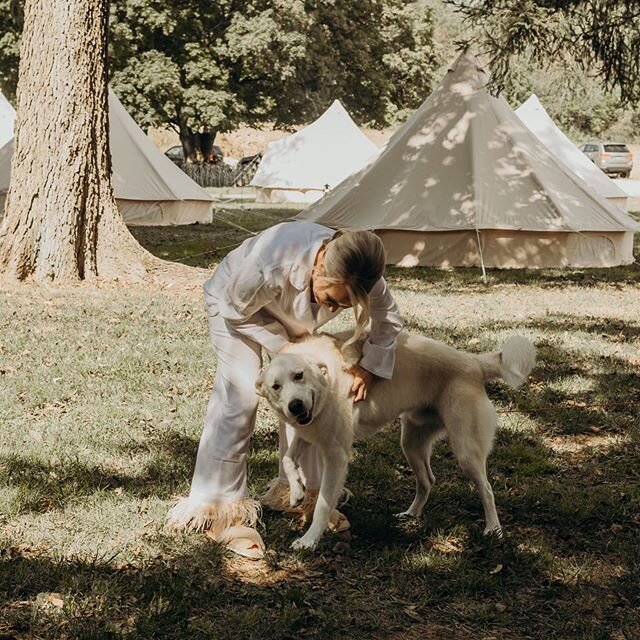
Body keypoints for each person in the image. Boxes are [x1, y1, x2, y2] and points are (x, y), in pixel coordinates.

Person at [168, 221, 403, 558]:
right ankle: (218, 510)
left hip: (289, 317)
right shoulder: (272, 262)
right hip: (234, 306)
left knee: (309, 389)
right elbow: (234, 308)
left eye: (343, 306)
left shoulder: (360, 268)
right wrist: (283, 346)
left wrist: (368, 368)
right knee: (241, 395)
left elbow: (389, 320)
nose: (334, 309)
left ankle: (302, 495)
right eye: (331, 300)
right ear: (320, 265)